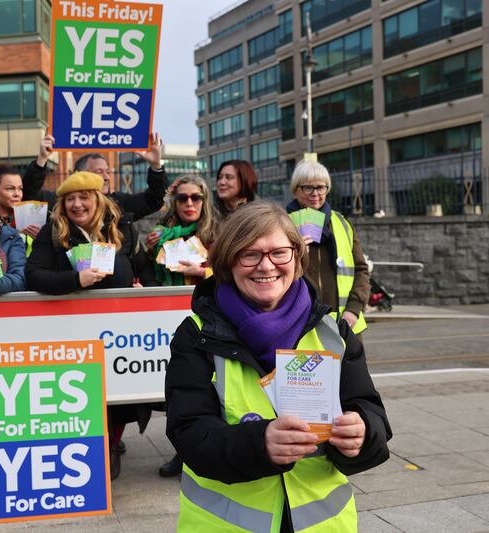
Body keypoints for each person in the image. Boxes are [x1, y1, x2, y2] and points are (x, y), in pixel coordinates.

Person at [165, 201, 391, 532]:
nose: (266, 265)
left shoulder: (333, 331)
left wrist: (364, 433)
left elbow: (371, 413)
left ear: (296, 258)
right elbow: (189, 433)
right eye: (249, 254)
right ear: (229, 262)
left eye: (278, 253)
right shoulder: (196, 335)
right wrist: (261, 444)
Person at [25, 171, 154, 480]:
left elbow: (145, 271)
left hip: (119, 331)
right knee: (79, 392)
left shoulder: (121, 228)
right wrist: (75, 280)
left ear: (98, 200)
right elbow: (35, 275)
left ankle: (112, 445)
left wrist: (144, 290)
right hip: (70, 329)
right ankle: (83, 447)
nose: (77, 204)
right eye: (70, 199)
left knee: (120, 393)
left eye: (84, 197)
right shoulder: (53, 233)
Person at [143, 175, 219, 477]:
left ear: (205, 200)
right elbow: (146, 274)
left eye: (196, 198)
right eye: (183, 198)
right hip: (166, 320)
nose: (189, 203)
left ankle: (196, 452)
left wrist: (203, 272)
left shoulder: (218, 233)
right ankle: (182, 450)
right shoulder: (160, 235)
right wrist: (148, 251)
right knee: (178, 390)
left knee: (204, 388)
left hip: (208, 320)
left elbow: (233, 273)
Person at [286, 160, 370, 334]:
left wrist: (353, 309)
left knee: (349, 362)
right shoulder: (281, 224)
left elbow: (361, 269)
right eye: (307, 187)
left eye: (321, 187)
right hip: (300, 325)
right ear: (295, 190)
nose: (315, 193)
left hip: (345, 323)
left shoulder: (342, 224)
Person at [22, 133, 168, 221]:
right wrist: (41, 160)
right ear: (77, 175)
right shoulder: (60, 204)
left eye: (108, 172)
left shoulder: (119, 204)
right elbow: (30, 194)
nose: (106, 177)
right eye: (98, 171)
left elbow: (154, 200)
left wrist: (156, 166)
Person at [0, 164, 42, 255]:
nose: (17, 194)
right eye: (10, 189)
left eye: (20, 189)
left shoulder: (32, 219)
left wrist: (42, 238)